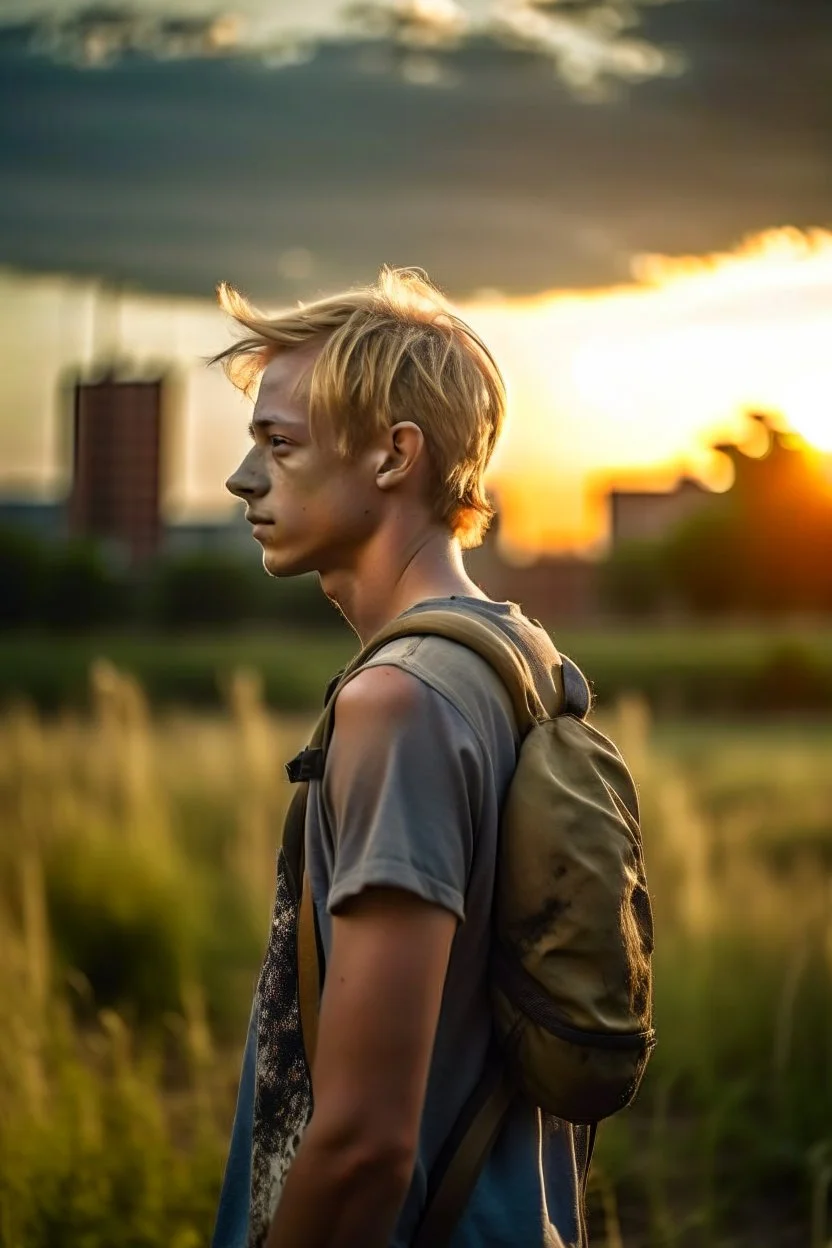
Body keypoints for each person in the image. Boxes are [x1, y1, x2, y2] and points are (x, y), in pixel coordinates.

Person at [211, 267, 592, 1248]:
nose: (242, 480)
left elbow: (364, 1147)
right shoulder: (518, 658)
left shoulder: (398, 704)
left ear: (394, 455)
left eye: (278, 444)